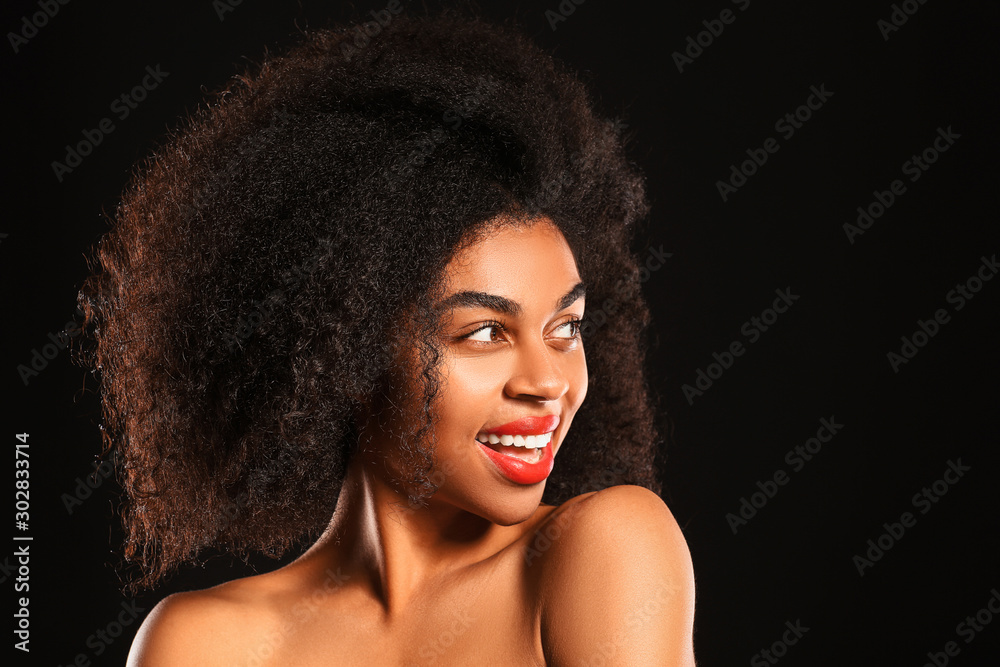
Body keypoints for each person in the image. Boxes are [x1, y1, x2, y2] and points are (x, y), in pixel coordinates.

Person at [77, 8, 696, 665]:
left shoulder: (602, 550)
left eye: (565, 328)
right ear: (351, 348)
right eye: (486, 331)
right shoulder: (203, 644)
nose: (548, 382)